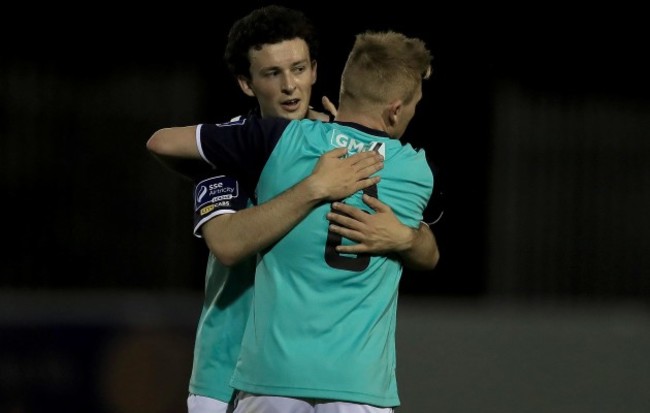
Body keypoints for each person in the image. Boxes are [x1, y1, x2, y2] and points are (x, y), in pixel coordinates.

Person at [147, 6, 440, 413]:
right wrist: (314, 187)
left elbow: (427, 249)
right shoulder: (230, 151)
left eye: (298, 69)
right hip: (226, 372)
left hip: (292, 375)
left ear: (316, 70)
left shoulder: (340, 146)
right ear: (247, 84)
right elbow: (228, 244)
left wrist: (405, 237)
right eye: (272, 74)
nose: (290, 86)